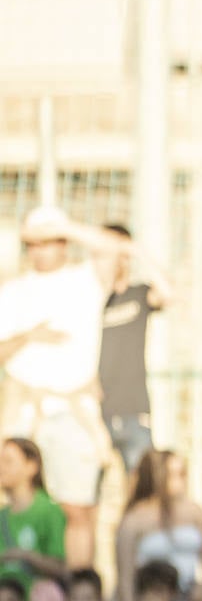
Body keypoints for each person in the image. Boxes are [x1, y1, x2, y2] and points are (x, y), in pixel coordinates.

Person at [0, 207, 133, 569]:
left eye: (47, 242)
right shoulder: (12, 291)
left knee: (77, 509)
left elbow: (119, 249)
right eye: (31, 243)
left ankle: (76, 592)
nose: (38, 251)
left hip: (73, 412)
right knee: (17, 505)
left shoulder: (85, 279)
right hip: (24, 411)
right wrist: (30, 336)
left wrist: (68, 227)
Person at [95, 223, 170, 476]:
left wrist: (137, 251)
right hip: (91, 415)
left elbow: (169, 293)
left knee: (145, 490)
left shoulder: (138, 294)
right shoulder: (89, 298)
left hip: (133, 412)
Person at [115, 449, 202, 601]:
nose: (181, 480)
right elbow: (125, 579)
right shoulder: (134, 520)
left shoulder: (195, 513)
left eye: (183, 473)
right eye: (174, 474)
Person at [0, 438, 68, 601]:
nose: (2, 467)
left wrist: (25, 555)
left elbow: (60, 567)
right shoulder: (2, 515)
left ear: (32, 466)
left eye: (8, 461)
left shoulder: (49, 511)